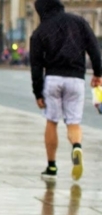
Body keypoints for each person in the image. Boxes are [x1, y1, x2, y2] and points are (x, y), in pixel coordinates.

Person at [30, 0, 102, 181]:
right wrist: (98, 73)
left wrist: (38, 92)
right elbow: (94, 49)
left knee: (52, 121)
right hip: (76, 78)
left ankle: (51, 166)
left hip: (53, 78)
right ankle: (76, 146)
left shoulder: (40, 31)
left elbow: (36, 66)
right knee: (74, 123)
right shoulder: (79, 22)